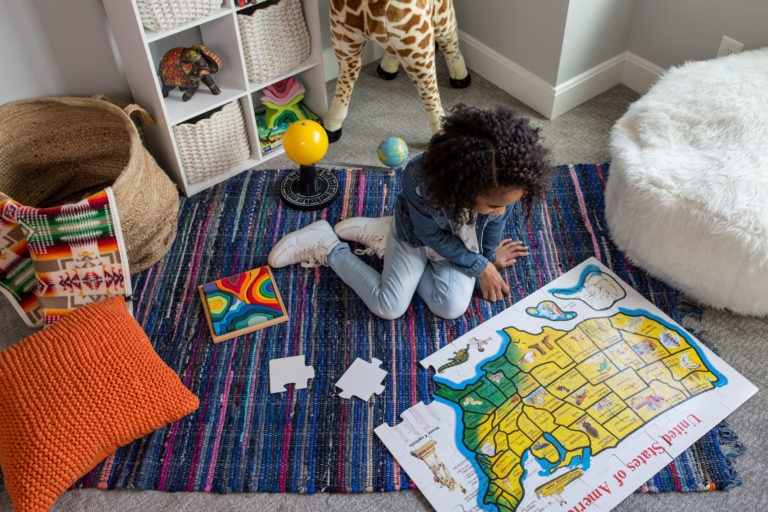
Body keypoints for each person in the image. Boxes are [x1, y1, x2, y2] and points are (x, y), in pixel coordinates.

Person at [268, 104, 551, 320]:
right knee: (389, 307)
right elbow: (429, 233)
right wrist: (479, 266)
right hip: (415, 234)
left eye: (508, 204)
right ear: (467, 186)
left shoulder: (502, 189)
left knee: (451, 307)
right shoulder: (421, 179)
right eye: (493, 205)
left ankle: (382, 238)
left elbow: (492, 228)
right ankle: (328, 246)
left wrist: (487, 260)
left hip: (457, 245)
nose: (501, 211)